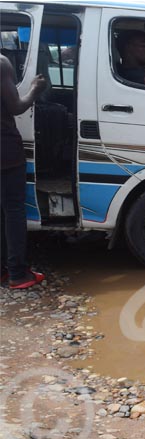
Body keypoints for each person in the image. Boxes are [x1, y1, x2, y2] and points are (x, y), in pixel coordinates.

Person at [1, 54, 47, 289]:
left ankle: (2, 270)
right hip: (5, 152)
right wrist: (35, 89)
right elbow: (17, 106)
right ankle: (18, 274)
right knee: (13, 211)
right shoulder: (1, 63)